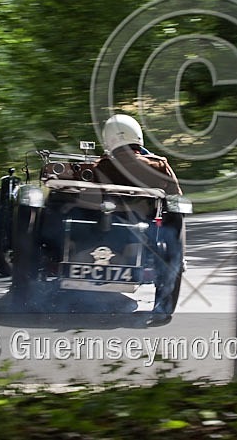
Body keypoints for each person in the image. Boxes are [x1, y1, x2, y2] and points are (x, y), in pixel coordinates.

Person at [95, 114, 185, 322]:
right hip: (145, 234)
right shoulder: (159, 165)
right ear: (137, 136)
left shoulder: (102, 165)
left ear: (108, 139)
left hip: (106, 232)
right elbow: (175, 198)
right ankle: (163, 304)